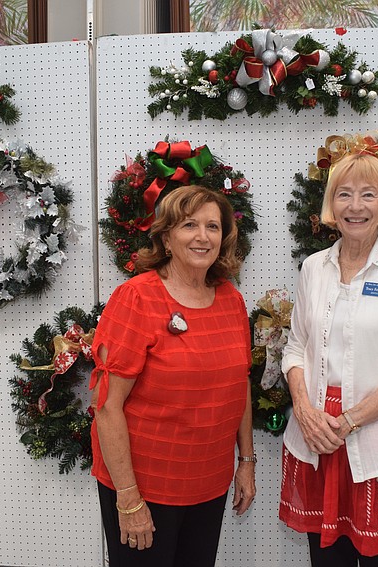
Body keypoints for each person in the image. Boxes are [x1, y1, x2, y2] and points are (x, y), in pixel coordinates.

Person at [279, 139, 378, 567]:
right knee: (326, 559)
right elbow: (295, 348)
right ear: (332, 203)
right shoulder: (313, 267)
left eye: (368, 194)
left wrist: (348, 421)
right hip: (315, 439)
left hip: (375, 443)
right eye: (344, 194)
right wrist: (306, 412)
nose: (356, 206)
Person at [90, 184, 256, 567]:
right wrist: (129, 498)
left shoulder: (231, 299)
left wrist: (246, 461)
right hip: (147, 486)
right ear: (166, 237)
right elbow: (106, 405)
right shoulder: (136, 298)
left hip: (209, 483)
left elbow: (239, 383)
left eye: (213, 227)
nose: (202, 236)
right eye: (189, 225)